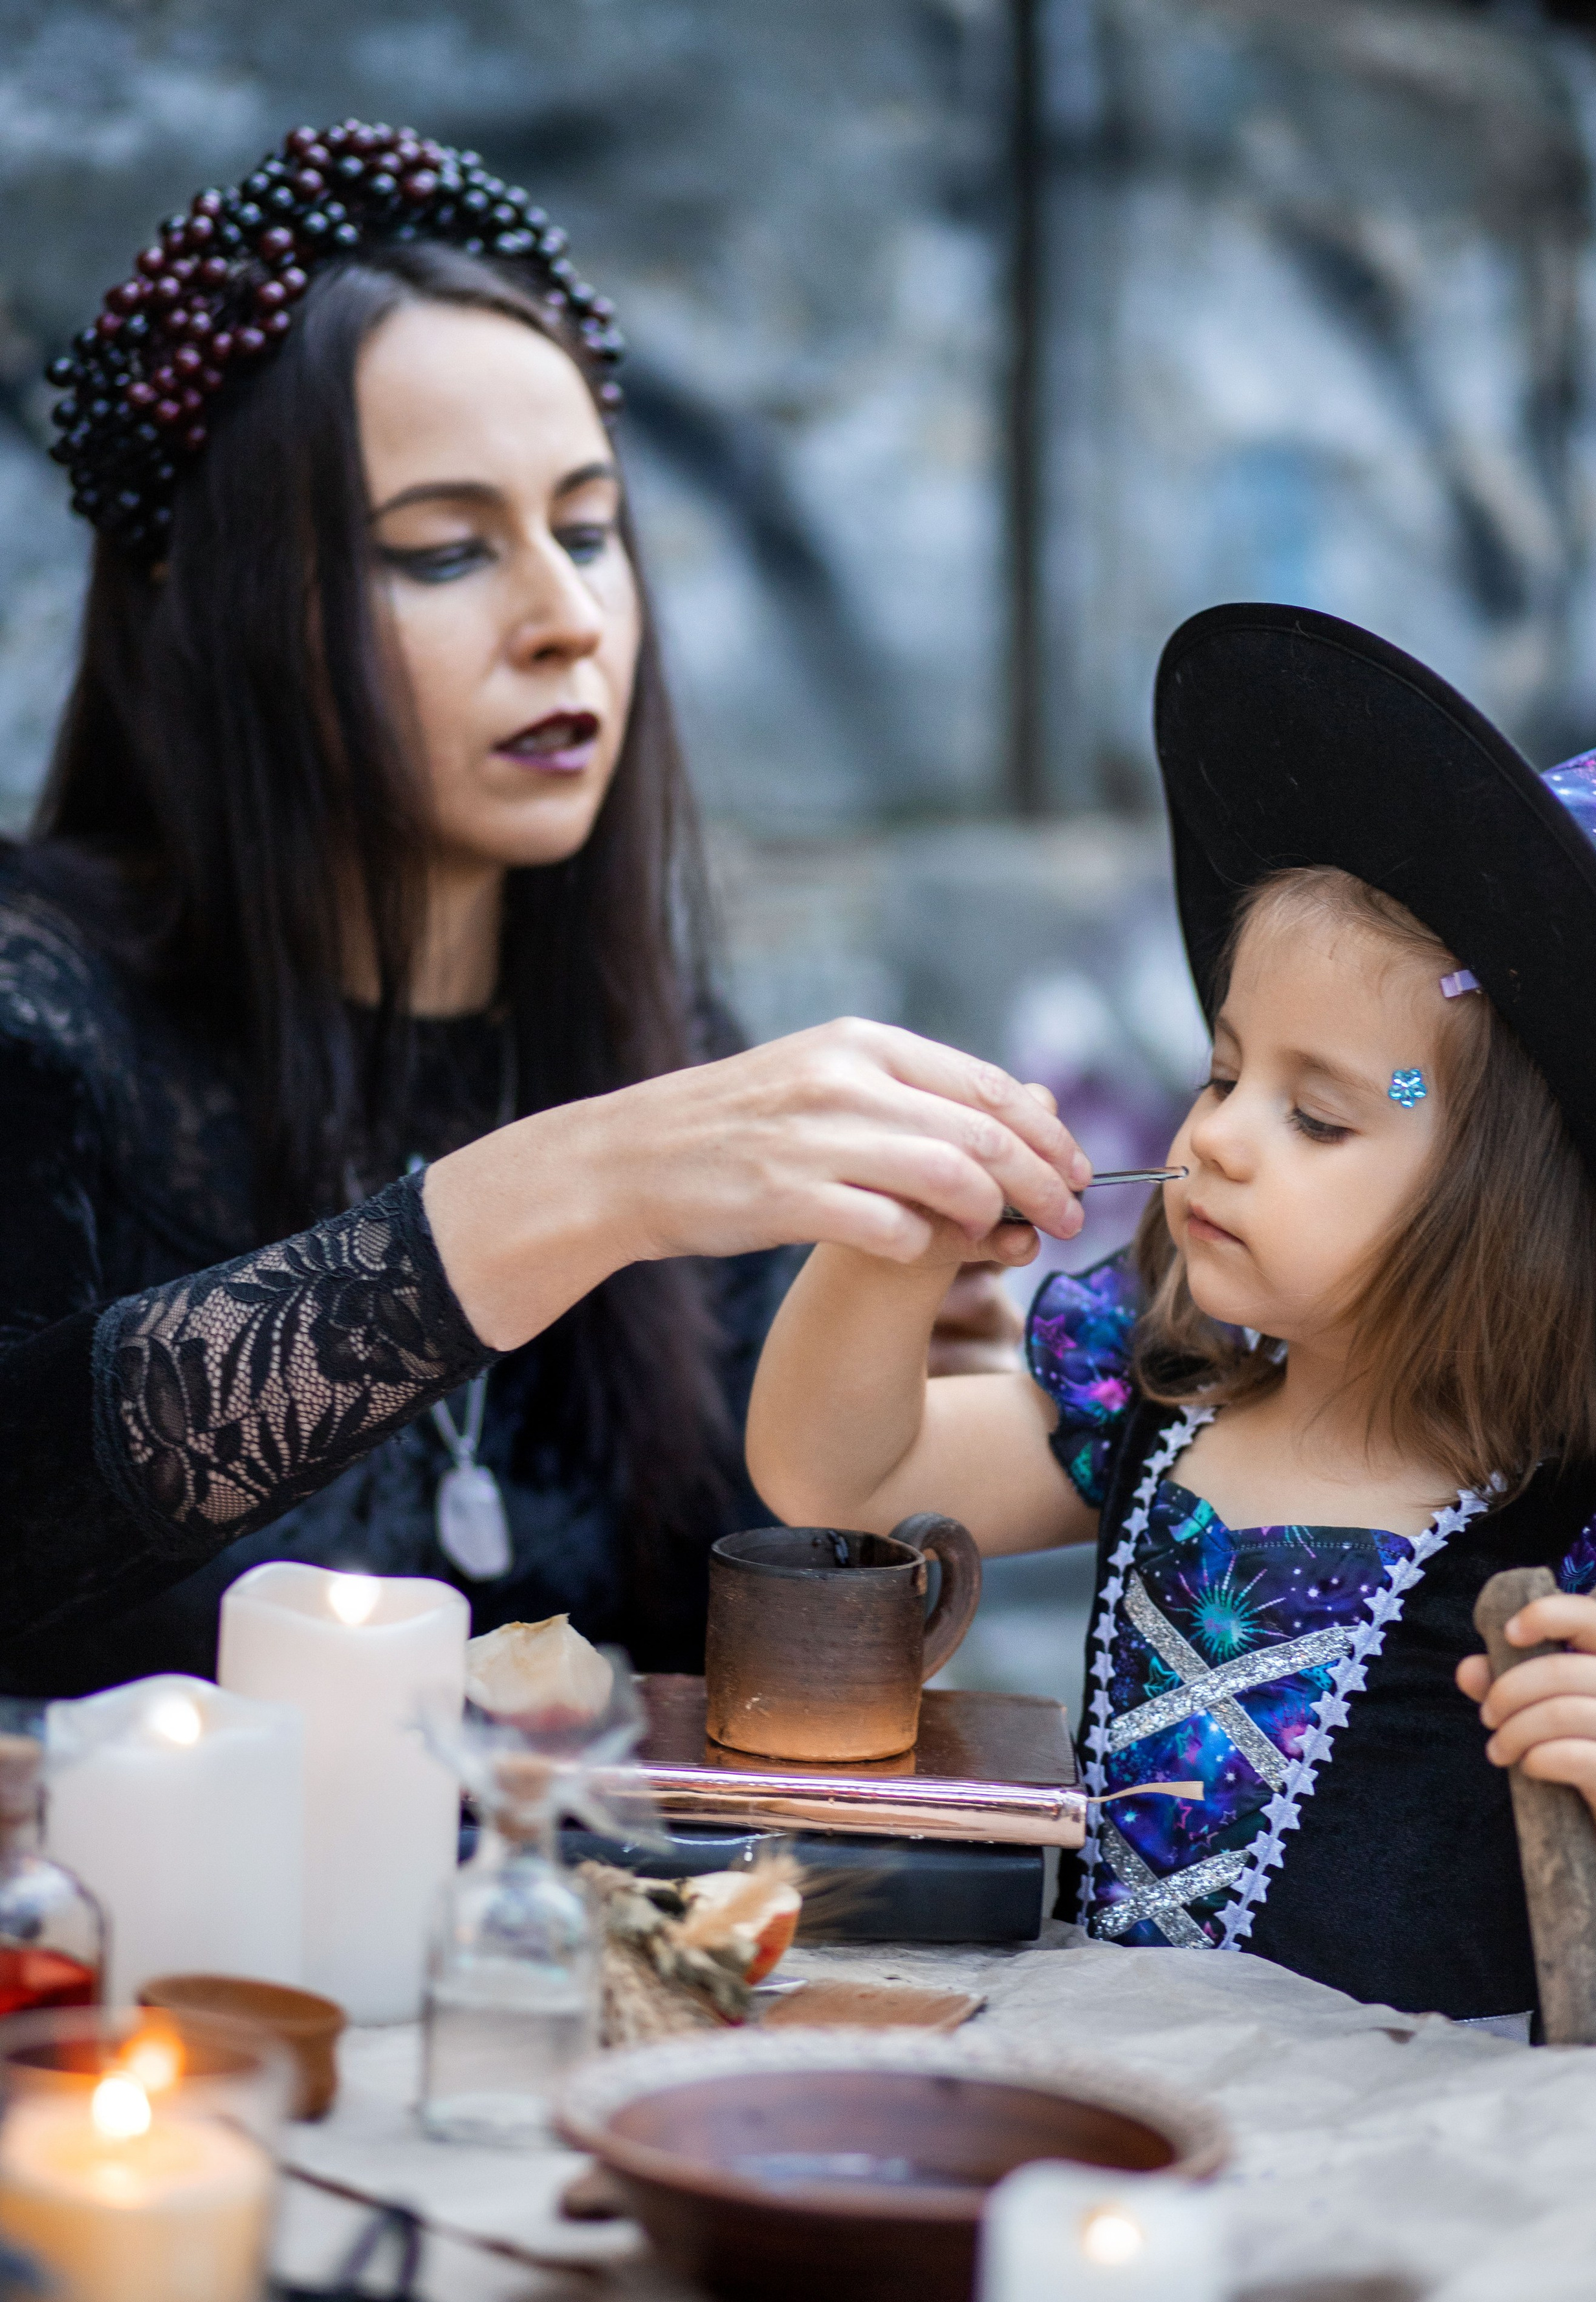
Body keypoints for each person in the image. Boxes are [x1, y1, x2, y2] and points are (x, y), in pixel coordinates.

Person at [0, 120, 1090, 1698]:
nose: (565, 620)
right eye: (444, 552)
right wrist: (580, 1185)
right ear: (208, 600)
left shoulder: (652, 1041)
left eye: (586, 532)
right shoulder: (39, 1007)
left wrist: (896, 1467)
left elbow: (707, 1698)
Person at [749, 602, 1596, 2033]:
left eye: (1316, 1114)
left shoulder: (1590, 1527)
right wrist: (893, 1248)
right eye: (1222, 1073)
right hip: (1112, 2103)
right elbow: (836, 1478)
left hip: (1407, 2153)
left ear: (1509, 1212)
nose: (1222, 1139)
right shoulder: (1160, 1395)